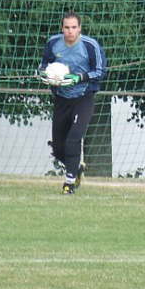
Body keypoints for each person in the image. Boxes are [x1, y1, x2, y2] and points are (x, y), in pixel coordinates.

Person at [39, 11, 107, 194]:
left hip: (83, 98)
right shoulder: (53, 43)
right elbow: (43, 65)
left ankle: (69, 183)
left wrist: (79, 77)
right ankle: (76, 169)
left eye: (74, 27)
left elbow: (100, 71)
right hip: (62, 99)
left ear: (79, 28)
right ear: (62, 28)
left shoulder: (90, 45)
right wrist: (46, 76)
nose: (70, 31)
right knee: (59, 148)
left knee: (74, 139)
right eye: (67, 27)